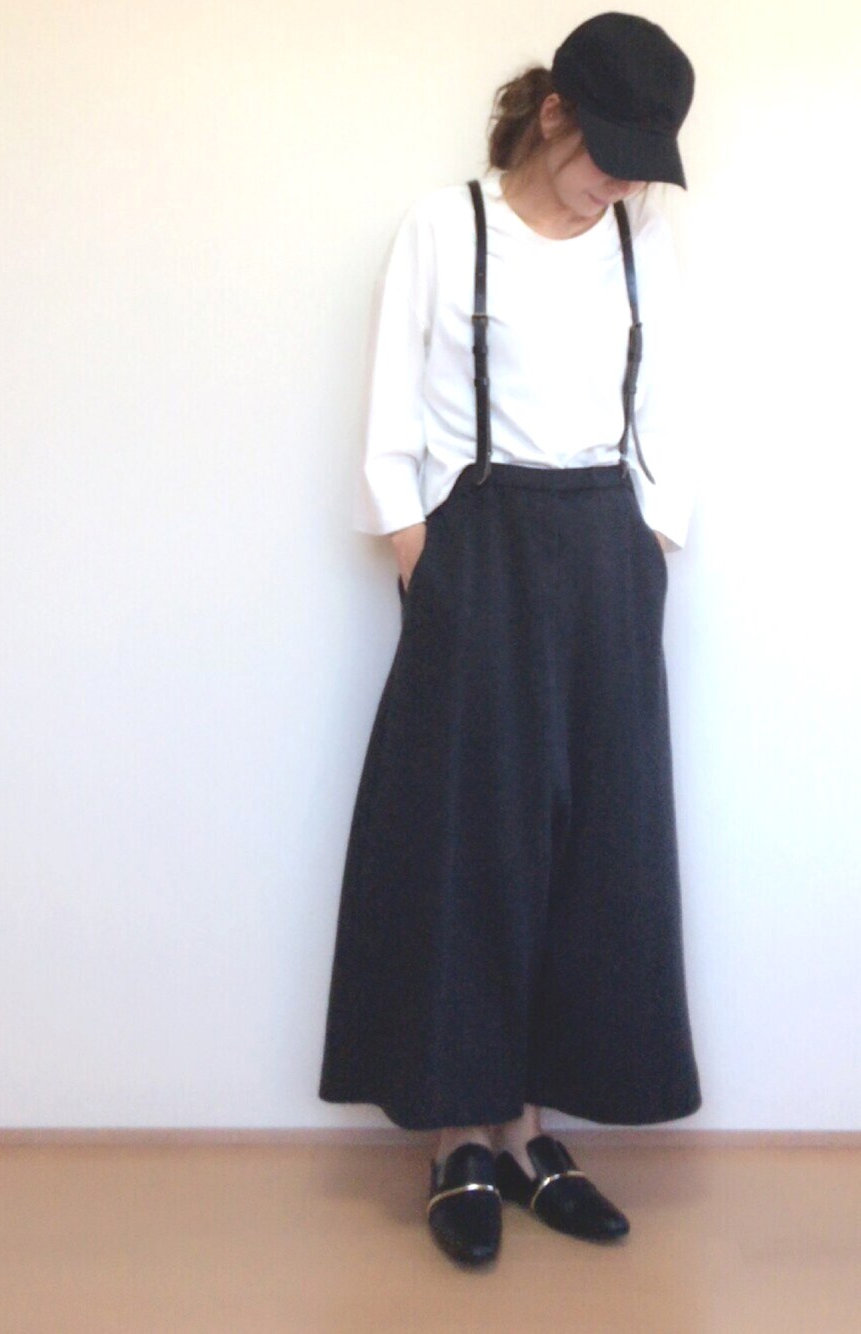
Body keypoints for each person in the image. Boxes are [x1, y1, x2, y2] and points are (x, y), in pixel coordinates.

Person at [319, 12, 702, 1267]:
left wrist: (651, 541)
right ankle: (458, 1141)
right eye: (611, 156)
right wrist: (421, 555)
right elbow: (388, 417)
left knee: (594, 847)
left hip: (604, 550)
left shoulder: (642, 237)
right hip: (476, 547)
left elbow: (667, 403)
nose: (622, 185)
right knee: (466, 843)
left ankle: (532, 1133)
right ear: (553, 116)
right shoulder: (447, 229)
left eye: (644, 166)